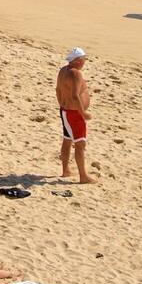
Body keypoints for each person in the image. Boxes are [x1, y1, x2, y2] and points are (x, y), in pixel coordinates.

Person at [56, 47, 94, 184]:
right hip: (74, 114)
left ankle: (65, 170)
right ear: (77, 61)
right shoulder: (76, 73)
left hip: (66, 111)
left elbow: (58, 89)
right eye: (83, 59)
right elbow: (75, 95)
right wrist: (82, 113)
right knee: (80, 144)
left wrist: (62, 104)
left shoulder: (63, 70)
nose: (84, 62)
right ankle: (83, 176)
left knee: (67, 140)